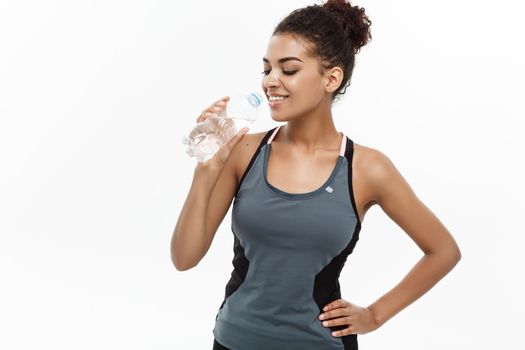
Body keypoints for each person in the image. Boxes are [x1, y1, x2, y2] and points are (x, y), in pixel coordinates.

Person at [171, 1, 462, 349]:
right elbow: (184, 258)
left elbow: (443, 251)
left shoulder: (366, 168)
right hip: (234, 341)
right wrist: (206, 169)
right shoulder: (243, 152)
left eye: (288, 70)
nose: (270, 82)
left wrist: (375, 315)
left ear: (331, 78)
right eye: (267, 69)